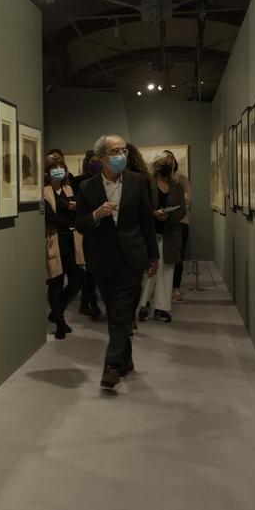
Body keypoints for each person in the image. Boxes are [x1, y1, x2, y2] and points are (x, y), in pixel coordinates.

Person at [74, 134, 159, 392]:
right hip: (102, 258)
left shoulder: (137, 182)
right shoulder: (87, 188)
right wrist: (96, 215)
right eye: (115, 151)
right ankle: (126, 359)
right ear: (102, 158)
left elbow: (146, 221)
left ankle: (111, 366)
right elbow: (79, 224)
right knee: (115, 312)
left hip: (133, 256)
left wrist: (153, 256)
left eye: (123, 150)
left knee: (122, 310)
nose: (121, 155)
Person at [138, 155, 187, 323]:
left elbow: (182, 210)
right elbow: (140, 208)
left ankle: (162, 308)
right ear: (157, 166)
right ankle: (143, 305)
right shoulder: (146, 185)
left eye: (170, 164)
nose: (167, 167)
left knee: (167, 273)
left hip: (170, 234)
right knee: (149, 272)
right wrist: (154, 214)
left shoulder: (177, 187)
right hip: (150, 234)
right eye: (164, 164)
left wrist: (169, 216)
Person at [43, 153, 85, 339]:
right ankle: (60, 323)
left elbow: (79, 213)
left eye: (61, 167)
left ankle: (56, 312)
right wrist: (69, 214)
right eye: (54, 168)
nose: (58, 170)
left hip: (71, 240)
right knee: (56, 284)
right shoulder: (44, 192)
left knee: (76, 281)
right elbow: (50, 217)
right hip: (55, 240)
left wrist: (72, 215)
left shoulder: (69, 189)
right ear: (47, 172)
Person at [72, 150, 102, 318]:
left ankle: (90, 300)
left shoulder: (101, 182)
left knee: (94, 270)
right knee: (87, 270)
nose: (95, 164)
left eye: (98, 161)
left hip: (99, 228)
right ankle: (87, 302)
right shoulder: (80, 182)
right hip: (85, 228)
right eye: (92, 161)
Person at [165, 149, 193, 302]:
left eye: (171, 161)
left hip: (180, 222)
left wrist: (171, 210)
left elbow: (186, 199)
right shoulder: (157, 181)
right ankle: (164, 288)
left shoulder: (181, 179)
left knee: (178, 257)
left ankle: (175, 287)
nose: (168, 164)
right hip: (163, 223)